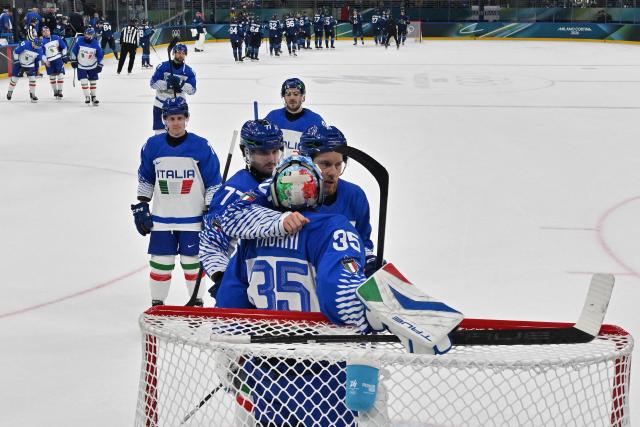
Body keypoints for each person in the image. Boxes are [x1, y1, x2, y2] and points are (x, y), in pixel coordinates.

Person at [215, 154, 368, 426]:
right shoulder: (333, 228)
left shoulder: (252, 239)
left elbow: (230, 304)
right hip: (321, 370)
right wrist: (372, 314)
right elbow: (340, 298)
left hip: (266, 368)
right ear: (317, 190)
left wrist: (227, 355)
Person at [218, 124, 377, 276]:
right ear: (305, 161)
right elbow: (231, 217)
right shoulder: (281, 189)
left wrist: (369, 261)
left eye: (338, 165)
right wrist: (278, 221)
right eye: (325, 164)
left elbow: (363, 243)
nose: (333, 173)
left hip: (333, 281)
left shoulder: (355, 195)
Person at [131, 97, 222, 307]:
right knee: (161, 262)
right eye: (171, 118)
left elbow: (214, 182)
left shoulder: (201, 146)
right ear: (164, 120)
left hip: (193, 218)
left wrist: (211, 208)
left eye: (180, 118)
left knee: (192, 263)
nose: (176, 123)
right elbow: (146, 177)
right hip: (162, 218)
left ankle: (196, 301)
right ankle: (158, 304)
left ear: (187, 118)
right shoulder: (152, 146)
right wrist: (143, 204)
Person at [199, 119, 284, 298]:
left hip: (278, 283)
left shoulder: (285, 183)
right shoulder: (233, 191)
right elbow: (210, 243)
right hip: (245, 284)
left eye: (275, 151)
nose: (272, 159)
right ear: (247, 152)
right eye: (263, 152)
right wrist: (223, 279)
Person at [264, 78, 326, 156]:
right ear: (284, 97)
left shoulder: (315, 121)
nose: (292, 98)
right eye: (288, 94)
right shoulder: (272, 118)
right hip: (277, 167)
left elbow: (324, 149)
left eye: (296, 94)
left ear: (302, 97)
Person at [149, 43, 196, 134]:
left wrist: (181, 84)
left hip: (179, 105)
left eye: (183, 53)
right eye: (178, 52)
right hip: (160, 104)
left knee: (177, 133)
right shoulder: (163, 67)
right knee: (159, 133)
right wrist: (168, 84)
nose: (180, 55)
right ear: (174, 53)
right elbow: (153, 83)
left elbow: (192, 90)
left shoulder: (189, 71)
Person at [70, 27, 104, 105]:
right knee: (84, 81)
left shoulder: (96, 43)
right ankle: (87, 96)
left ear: (92, 35)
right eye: (86, 33)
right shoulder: (79, 40)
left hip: (92, 65)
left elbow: (100, 55)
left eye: (89, 34)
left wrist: (100, 65)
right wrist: (73, 60)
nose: (86, 35)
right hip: (81, 66)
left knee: (93, 82)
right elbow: (74, 51)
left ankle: (94, 96)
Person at [6, 37, 43, 102]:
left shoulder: (39, 49)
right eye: (36, 45)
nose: (37, 47)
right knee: (14, 79)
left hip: (30, 65)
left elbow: (37, 61)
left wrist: (37, 70)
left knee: (33, 79)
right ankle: (10, 91)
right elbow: (15, 51)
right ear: (33, 42)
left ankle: (32, 94)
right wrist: (17, 60)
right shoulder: (25, 44)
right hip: (19, 63)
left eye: (38, 46)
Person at [40, 25, 68, 99]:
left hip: (58, 59)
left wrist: (64, 55)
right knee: (52, 77)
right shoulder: (42, 42)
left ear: (49, 31)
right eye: (44, 31)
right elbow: (41, 53)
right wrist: (45, 61)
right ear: (42, 33)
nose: (46, 32)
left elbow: (64, 47)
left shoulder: (56, 37)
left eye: (47, 30)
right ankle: (55, 91)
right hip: (49, 61)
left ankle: (60, 91)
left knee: (60, 76)